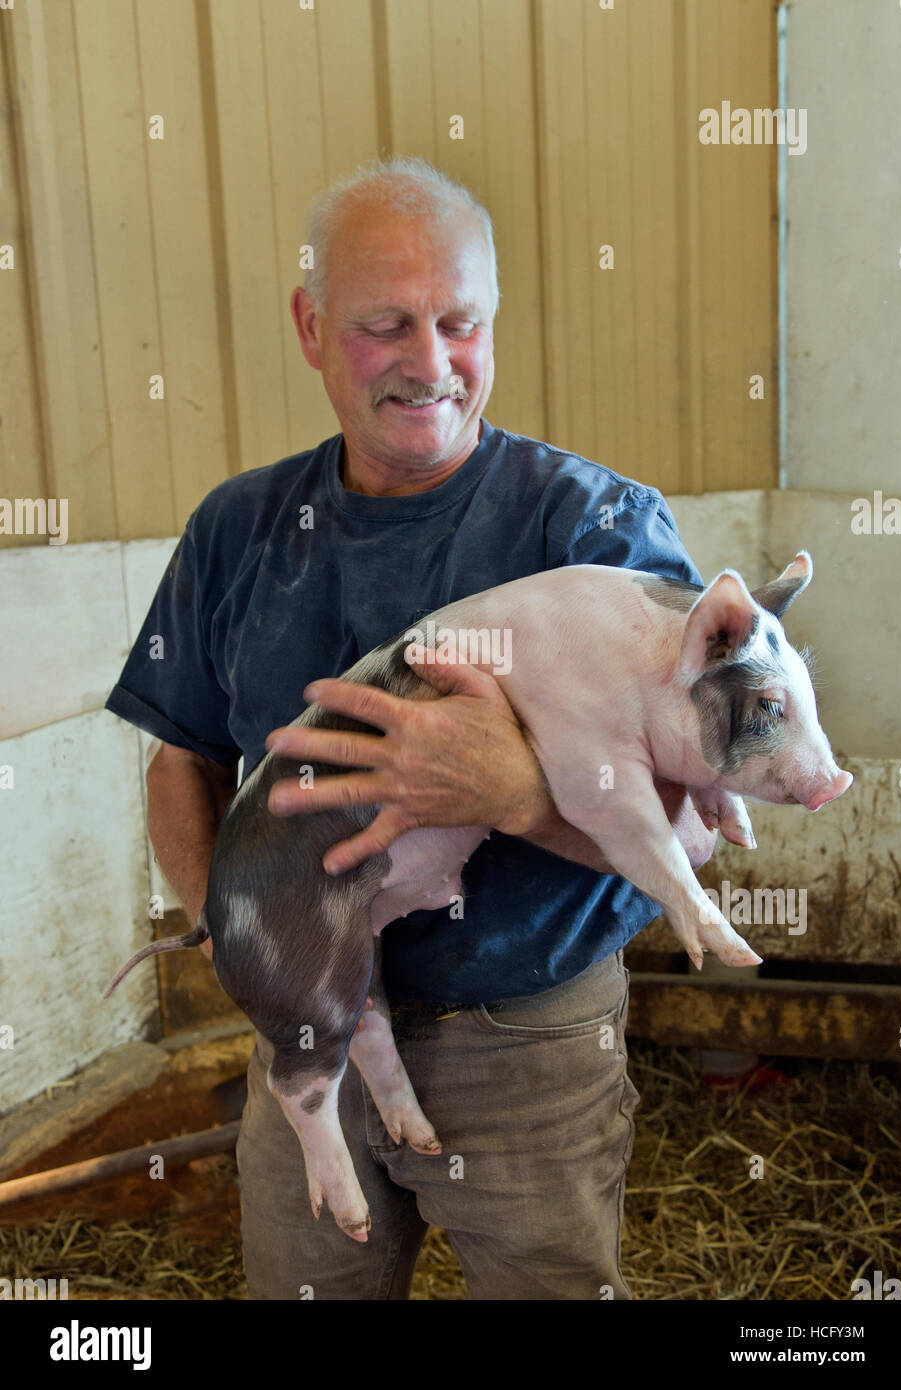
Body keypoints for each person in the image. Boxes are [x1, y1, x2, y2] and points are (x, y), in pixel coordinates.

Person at [105, 156, 715, 1301]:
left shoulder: (597, 530)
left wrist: (516, 793)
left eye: (460, 323)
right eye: (386, 325)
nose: (431, 364)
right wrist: (250, 938)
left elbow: (701, 836)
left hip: (525, 1034)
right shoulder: (238, 528)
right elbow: (180, 754)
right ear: (309, 325)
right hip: (308, 1038)